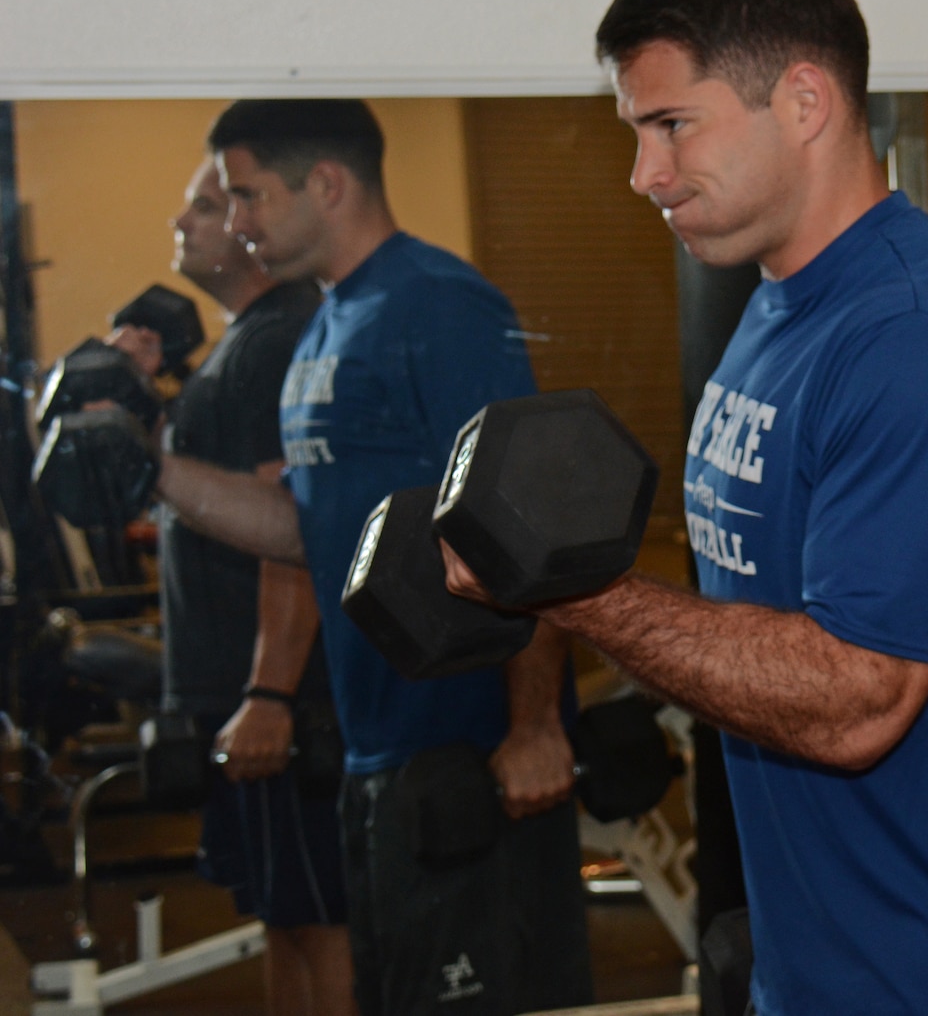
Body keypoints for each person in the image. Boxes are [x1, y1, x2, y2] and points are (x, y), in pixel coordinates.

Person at [443, 0, 928, 1016]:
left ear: (803, 102)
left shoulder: (914, 338)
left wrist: (575, 591)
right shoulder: (780, 302)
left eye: (670, 125)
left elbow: (857, 700)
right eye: (634, 131)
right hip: (823, 965)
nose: (642, 173)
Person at [152, 100, 592, 1016]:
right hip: (372, 749)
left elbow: (530, 519)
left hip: (466, 750)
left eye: (249, 195)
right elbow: (304, 528)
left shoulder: (437, 304)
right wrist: (154, 472)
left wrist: (535, 724)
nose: (237, 221)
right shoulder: (323, 328)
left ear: (327, 183)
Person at [110, 157, 344, 1015]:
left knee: (321, 922)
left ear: (253, 232)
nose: (187, 222)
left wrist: (271, 691)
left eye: (210, 207)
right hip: (238, 687)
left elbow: (297, 526)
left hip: (282, 693)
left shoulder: (279, 339)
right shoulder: (236, 348)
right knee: (280, 915)